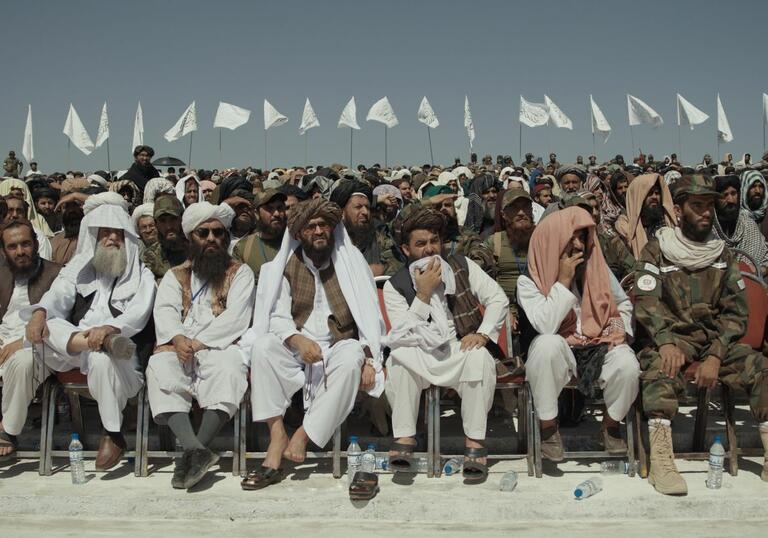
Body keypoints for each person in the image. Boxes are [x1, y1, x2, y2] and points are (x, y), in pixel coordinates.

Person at [633, 173, 768, 493]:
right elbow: (646, 302)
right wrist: (665, 343)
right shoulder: (657, 251)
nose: (706, 212)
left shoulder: (721, 255)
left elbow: (736, 312)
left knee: (760, 368)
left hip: (714, 343)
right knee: (659, 372)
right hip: (672, 341)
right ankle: (662, 462)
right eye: (697, 205)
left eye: (710, 205)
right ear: (679, 210)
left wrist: (716, 354)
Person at [239, 198, 384, 490]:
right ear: (298, 234)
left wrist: (369, 357)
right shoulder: (280, 268)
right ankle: (277, 434)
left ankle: (303, 435)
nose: (319, 231)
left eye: (324, 225)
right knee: (263, 346)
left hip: (339, 344)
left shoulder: (352, 265)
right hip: (295, 344)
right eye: (311, 226)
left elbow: (370, 317)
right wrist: (296, 338)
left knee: (352, 357)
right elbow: (275, 316)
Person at [23, 197, 156, 470]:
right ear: (93, 237)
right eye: (103, 233)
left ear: (126, 237)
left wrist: (110, 329)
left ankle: (114, 434)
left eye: (116, 233)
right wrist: (39, 313)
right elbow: (55, 297)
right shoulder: (77, 271)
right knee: (51, 324)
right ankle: (90, 342)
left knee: (101, 358)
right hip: (75, 352)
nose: (110, 239)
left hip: (125, 363)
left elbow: (138, 315)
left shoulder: (142, 276)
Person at [383, 207, 507, 481]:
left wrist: (484, 333)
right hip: (419, 352)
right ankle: (404, 439)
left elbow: (497, 298)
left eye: (434, 241)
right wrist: (424, 293)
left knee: (479, 357)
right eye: (421, 243)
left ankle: (475, 444)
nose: (429, 249)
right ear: (405, 249)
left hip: (457, 347)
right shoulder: (396, 284)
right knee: (399, 359)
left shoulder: (462, 265)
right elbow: (401, 332)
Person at [517, 207, 639, 461]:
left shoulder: (596, 268)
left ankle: (610, 425)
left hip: (600, 343)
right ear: (552, 240)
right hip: (562, 351)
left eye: (582, 237)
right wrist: (562, 281)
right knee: (546, 345)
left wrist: (620, 331)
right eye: (570, 238)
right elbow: (546, 324)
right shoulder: (530, 280)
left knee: (628, 363)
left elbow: (623, 303)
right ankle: (548, 427)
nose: (578, 245)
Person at [146, 202, 254, 490]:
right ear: (190, 238)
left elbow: (237, 317)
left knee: (230, 368)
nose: (211, 239)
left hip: (219, 344)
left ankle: (192, 452)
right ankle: (197, 450)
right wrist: (179, 339)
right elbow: (165, 311)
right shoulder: (175, 275)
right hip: (181, 344)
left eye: (218, 233)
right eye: (203, 233)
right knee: (159, 365)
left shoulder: (240, 273)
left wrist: (197, 342)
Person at [0, 220, 63, 459]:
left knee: (23, 361)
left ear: (36, 244)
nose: (20, 251)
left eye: (25, 244)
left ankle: (9, 430)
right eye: (12, 246)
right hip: (4, 338)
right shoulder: (3, 273)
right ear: (4, 250)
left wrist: (21, 342)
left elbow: (62, 321)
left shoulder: (57, 274)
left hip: (41, 343)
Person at [486, 190, 536, 352]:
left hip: (538, 309)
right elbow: (481, 280)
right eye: (514, 208)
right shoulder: (495, 242)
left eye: (525, 207)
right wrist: (503, 309)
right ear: (504, 214)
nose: (521, 213)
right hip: (505, 310)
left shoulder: (544, 237)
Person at [330, 180, 400, 277]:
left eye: (367, 207)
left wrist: (383, 268)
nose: (365, 212)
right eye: (358, 207)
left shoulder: (379, 232)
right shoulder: (330, 236)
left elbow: (397, 263)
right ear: (342, 212)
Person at [712, 174, 768, 271]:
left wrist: (755, 270)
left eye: (733, 194)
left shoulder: (748, 225)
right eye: (724, 195)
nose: (730, 200)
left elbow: (764, 260)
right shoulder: (708, 229)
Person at [233, 190, 287, 286]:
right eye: (270, 209)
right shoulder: (243, 248)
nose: (277, 214)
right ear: (256, 214)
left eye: (280, 208)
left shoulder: (295, 242)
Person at [615, 174, 676, 258]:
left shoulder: (667, 222)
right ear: (638, 197)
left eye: (657, 193)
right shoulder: (624, 226)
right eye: (649, 193)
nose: (654, 197)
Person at [141, 195, 189, 282]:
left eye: (173, 219)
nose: (168, 226)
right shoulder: (150, 257)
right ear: (156, 223)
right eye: (163, 221)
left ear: (181, 219)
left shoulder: (196, 250)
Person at [4, 196, 52, 261]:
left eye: (19, 211)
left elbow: (44, 265)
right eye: (10, 210)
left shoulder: (38, 236)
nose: (15, 215)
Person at [49, 192, 86, 265]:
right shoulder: (54, 242)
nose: (71, 210)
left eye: (75, 205)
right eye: (66, 207)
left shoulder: (94, 234)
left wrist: (75, 195)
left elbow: (110, 204)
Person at [739, 170, 768, 240]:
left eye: (761, 186)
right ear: (743, 188)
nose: (757, 191)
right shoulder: (736, 217)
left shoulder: (766, 214)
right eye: (753, 186)